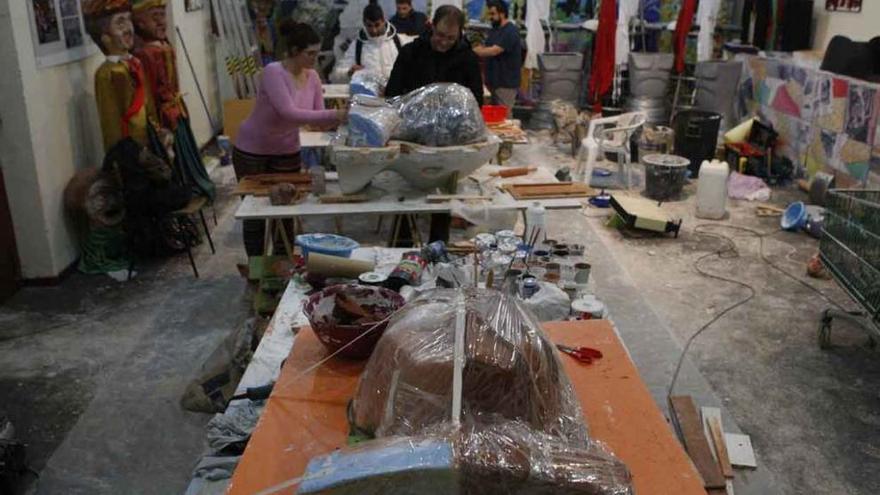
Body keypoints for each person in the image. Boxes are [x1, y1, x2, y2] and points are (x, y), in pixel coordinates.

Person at [234, 20, 348, 256]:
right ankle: (258, 270)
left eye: (317, 53)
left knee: (286, 210)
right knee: (255, 214)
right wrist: (334, 113)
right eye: (310, 53)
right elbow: (288, 112)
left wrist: (344, 116)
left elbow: (317, 120)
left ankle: (282, 266)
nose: (315, 58)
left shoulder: (313, 76)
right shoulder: (273, 71)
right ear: (295, 52)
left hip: (286, 148)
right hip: (252, 149)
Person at [131, 0, 216, 202]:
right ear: (140, 23)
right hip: (166, 115)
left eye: (163, 15)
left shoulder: (164, 45)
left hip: (177, 110)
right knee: (174, 157)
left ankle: (191, 182)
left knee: (185, 152)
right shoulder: (145, 54)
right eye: (155, 17)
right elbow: (150, 93)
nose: (162, 22)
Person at [386, 5, 484, 106]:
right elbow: (392, 94)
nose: (444, 42)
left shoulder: (467, 59)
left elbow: (477, 102)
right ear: (432, 26)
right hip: (412, 118)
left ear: (459, 34)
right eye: (440, 35)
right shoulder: (410, 52)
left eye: (451, 38)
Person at [331, 1, 404, 83]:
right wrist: (349, 72)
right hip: (369, 93)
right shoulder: (357, 45)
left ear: (384, 20)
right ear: (364, 23)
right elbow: (336, 75)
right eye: (369, 25)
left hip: (396, 92)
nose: (374, 30)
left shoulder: (400, 41)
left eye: (377, 25)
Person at [473, 0, 522, 117]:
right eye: (489, 14)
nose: (490, 17)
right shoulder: (494, 30)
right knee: (494, 116)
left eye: (493, 14)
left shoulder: (510, 31)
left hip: (506, 83)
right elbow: (485, 46)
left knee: (504, 116)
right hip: (493, 81)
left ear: (502, 14)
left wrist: (474, 51)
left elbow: (494, 50)